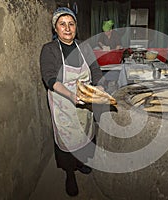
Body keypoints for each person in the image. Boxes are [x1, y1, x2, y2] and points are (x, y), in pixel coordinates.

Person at [40, 7, 105, 197]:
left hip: (85, 100)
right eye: (62, 24)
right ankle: (70, 174)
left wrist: (99, 88)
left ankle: (82, 162)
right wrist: (70, 95)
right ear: (55, 28)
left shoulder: (84, 47)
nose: (67, 28)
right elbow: (49, 78)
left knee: (85, 132)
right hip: (63, 102)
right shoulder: (49, 49)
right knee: (67, 140)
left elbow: (95, 70)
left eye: (71, 24)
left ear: (76, 27)